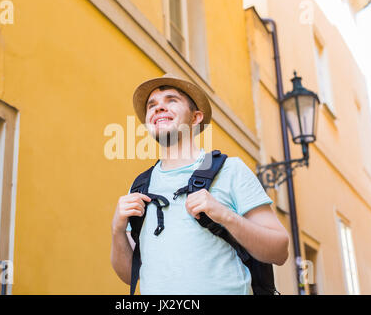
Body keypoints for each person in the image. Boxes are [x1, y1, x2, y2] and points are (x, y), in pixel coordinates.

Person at [110, 74, 289, 295]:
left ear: (195, 118)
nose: (158, 108)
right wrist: (117, 230)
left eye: (171, 100)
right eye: (152, 105)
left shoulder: (230, 170)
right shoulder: (140, 187)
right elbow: (130, 275)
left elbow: (279, 251)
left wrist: (224, 215)